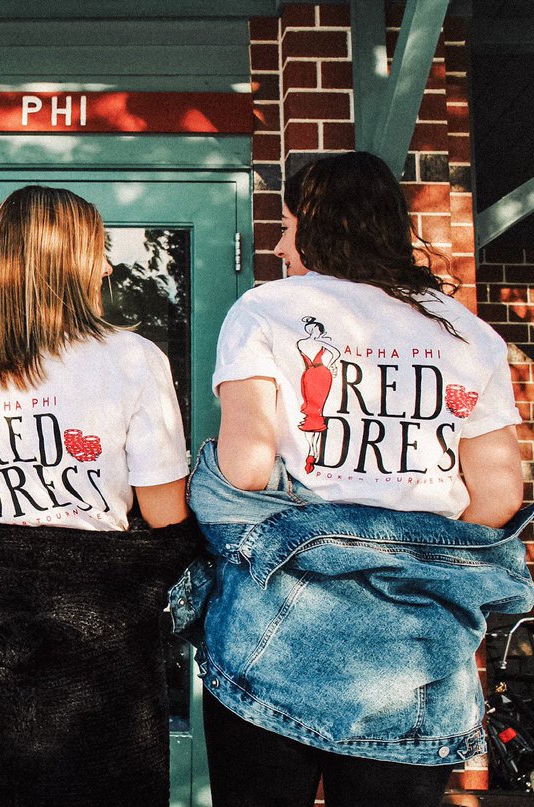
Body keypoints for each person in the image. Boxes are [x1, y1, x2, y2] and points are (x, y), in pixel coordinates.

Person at [191, 151, 531, 807]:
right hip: (413, 651)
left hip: (278, 627)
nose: (280, 243)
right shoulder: (467, 333)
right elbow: (497, 496)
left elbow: (246, 466)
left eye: (288, 224)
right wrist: (398, 537)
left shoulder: (268, 311)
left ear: (320, 226)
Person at [0, 185, 197, 806]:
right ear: (69, 264)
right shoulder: (135, 360)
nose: (108, 268)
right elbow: (166, 516)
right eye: (97, 253)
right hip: (103, 637)